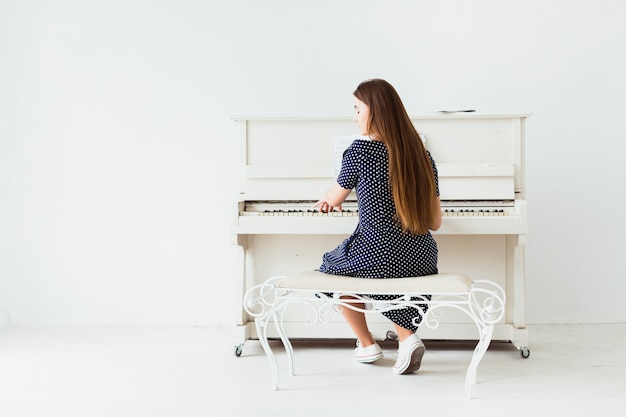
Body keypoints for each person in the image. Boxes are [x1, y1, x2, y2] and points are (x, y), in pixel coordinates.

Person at [313, 78, 442, 375]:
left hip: (376, 252)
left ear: (376, 112)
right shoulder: (423, 156)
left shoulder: (359, 151)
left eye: (358, 109)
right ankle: (406, 338)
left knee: (332, 265)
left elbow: (332, 198)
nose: (355, 116)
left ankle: (368, 343)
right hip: (423, 256)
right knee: (388, 262)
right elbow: (435, 222)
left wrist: (328, 200)